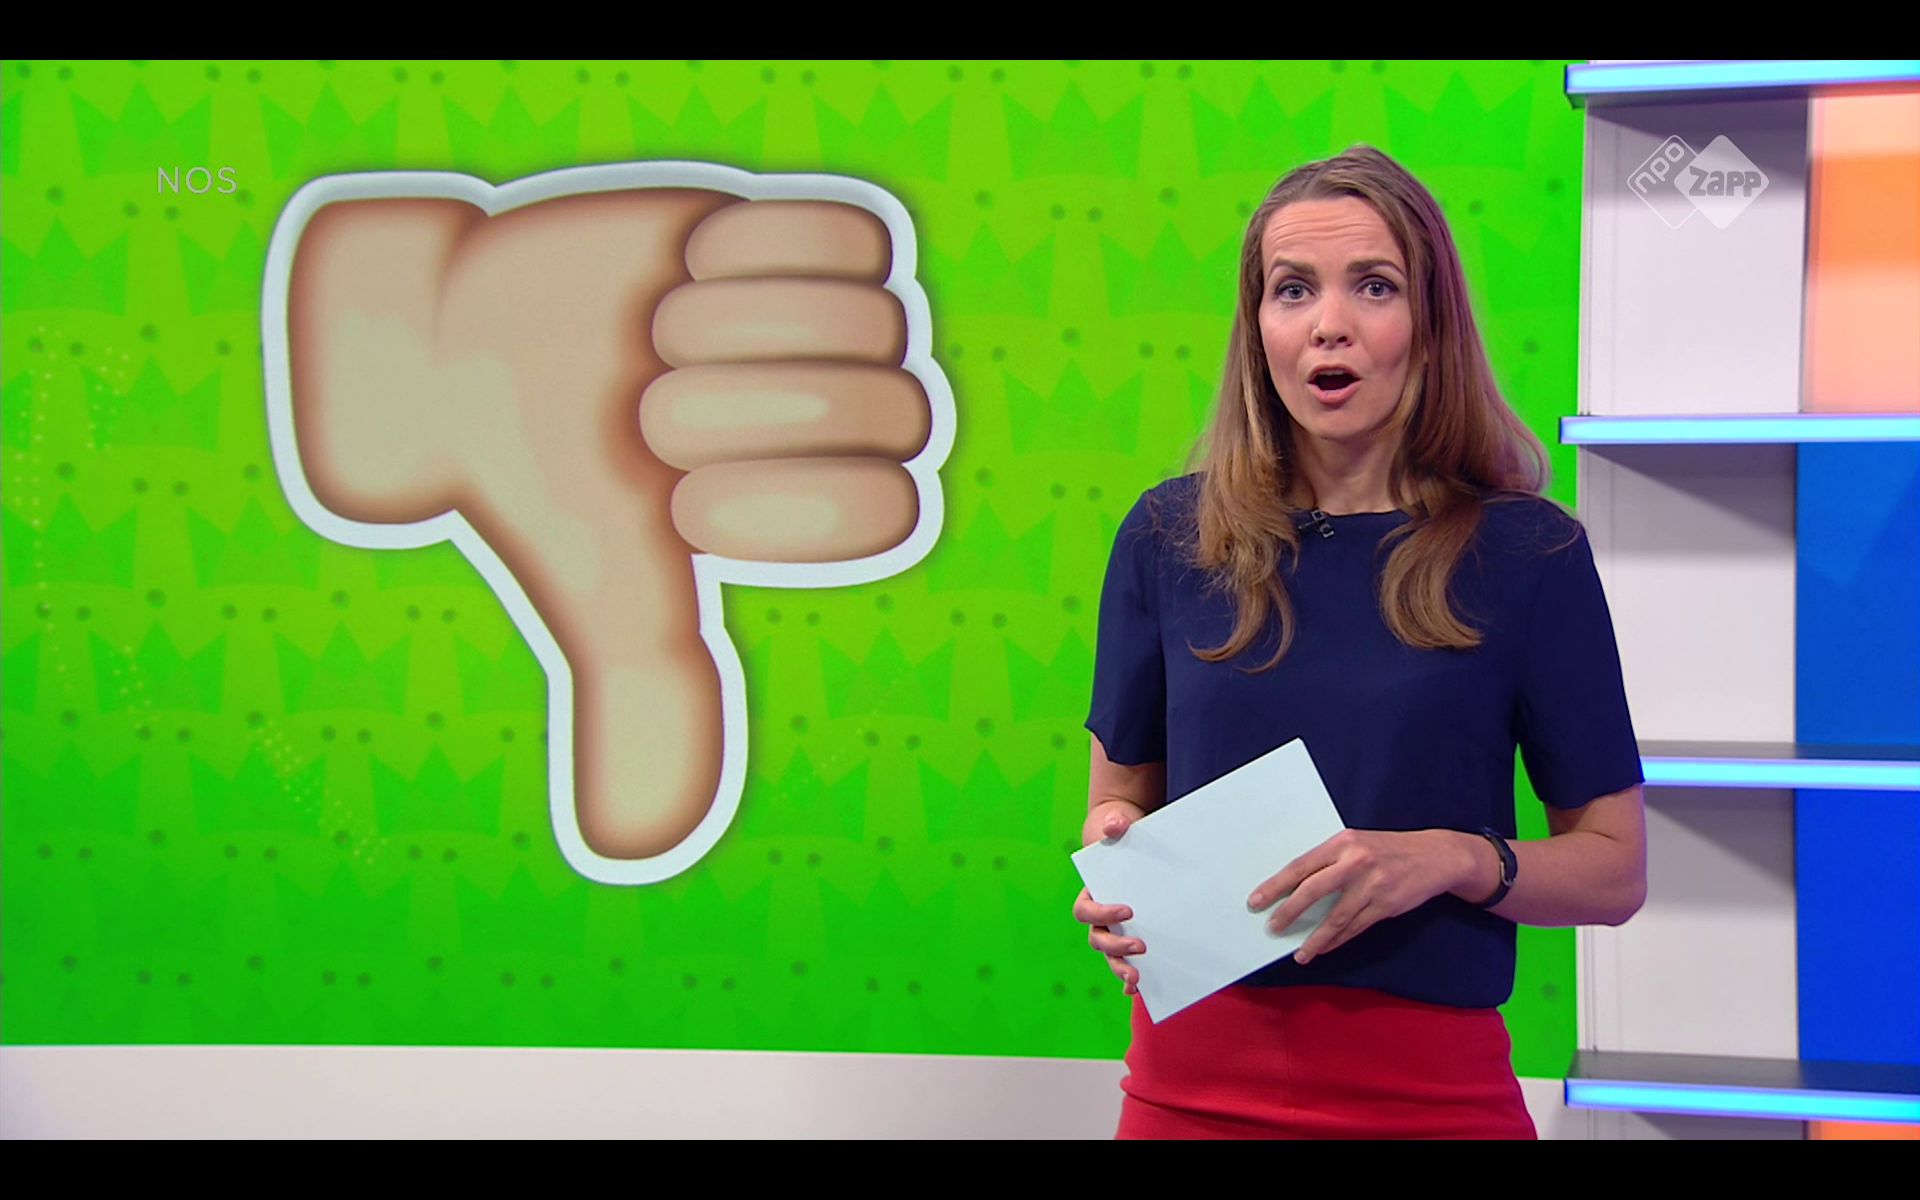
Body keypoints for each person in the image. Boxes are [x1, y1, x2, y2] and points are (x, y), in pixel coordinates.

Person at [1073, 145, 1649, 1140]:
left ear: (1429, 324)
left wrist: (1453, 859)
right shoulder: (1168, 537)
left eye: (1374, 286)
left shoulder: (1529, 554)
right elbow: (1116, 801)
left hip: (1431, 1101)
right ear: (1258, 328)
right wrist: (1117, 865)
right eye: (1292, 289)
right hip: (1186, 1091)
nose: (1327, 322)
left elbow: (1614, 871)